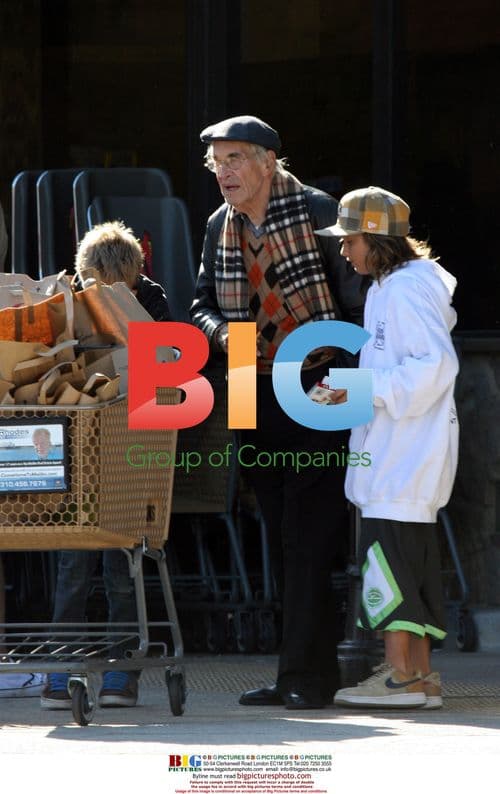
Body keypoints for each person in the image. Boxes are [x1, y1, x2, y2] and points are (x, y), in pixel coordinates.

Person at [191, 115, 368, 709]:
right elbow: (202, 305)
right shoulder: (218, 224)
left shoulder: (320, 212)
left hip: (321, 378)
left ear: (268, 162)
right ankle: (295, 673)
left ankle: (309, 679)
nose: (224, 172)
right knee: (280, 536)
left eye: (235, 158)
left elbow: (358, 308)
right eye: (217, 162)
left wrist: (343, 390)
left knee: (311, 535)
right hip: (250, 381)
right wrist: (222, 335)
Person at [315, 185, 459, 709]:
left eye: (350, 240)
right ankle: (419, 677)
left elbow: (434, 367)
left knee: (387, 568)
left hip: (402, 460)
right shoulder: (394, 286)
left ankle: (400, 678)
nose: (343, 250)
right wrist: (354, 389)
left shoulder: (402, 290)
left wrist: (362, 387)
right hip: (406, 458)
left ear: (376, 240)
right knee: (410, 569)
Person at [41, 221, 170, 710]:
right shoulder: (65, 303)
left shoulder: (152, 302)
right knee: (74, 563)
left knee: (121, 565)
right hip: (79, 450)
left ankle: (120, 669)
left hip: (128, 448)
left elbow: (168, 368)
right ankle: (61, 666)